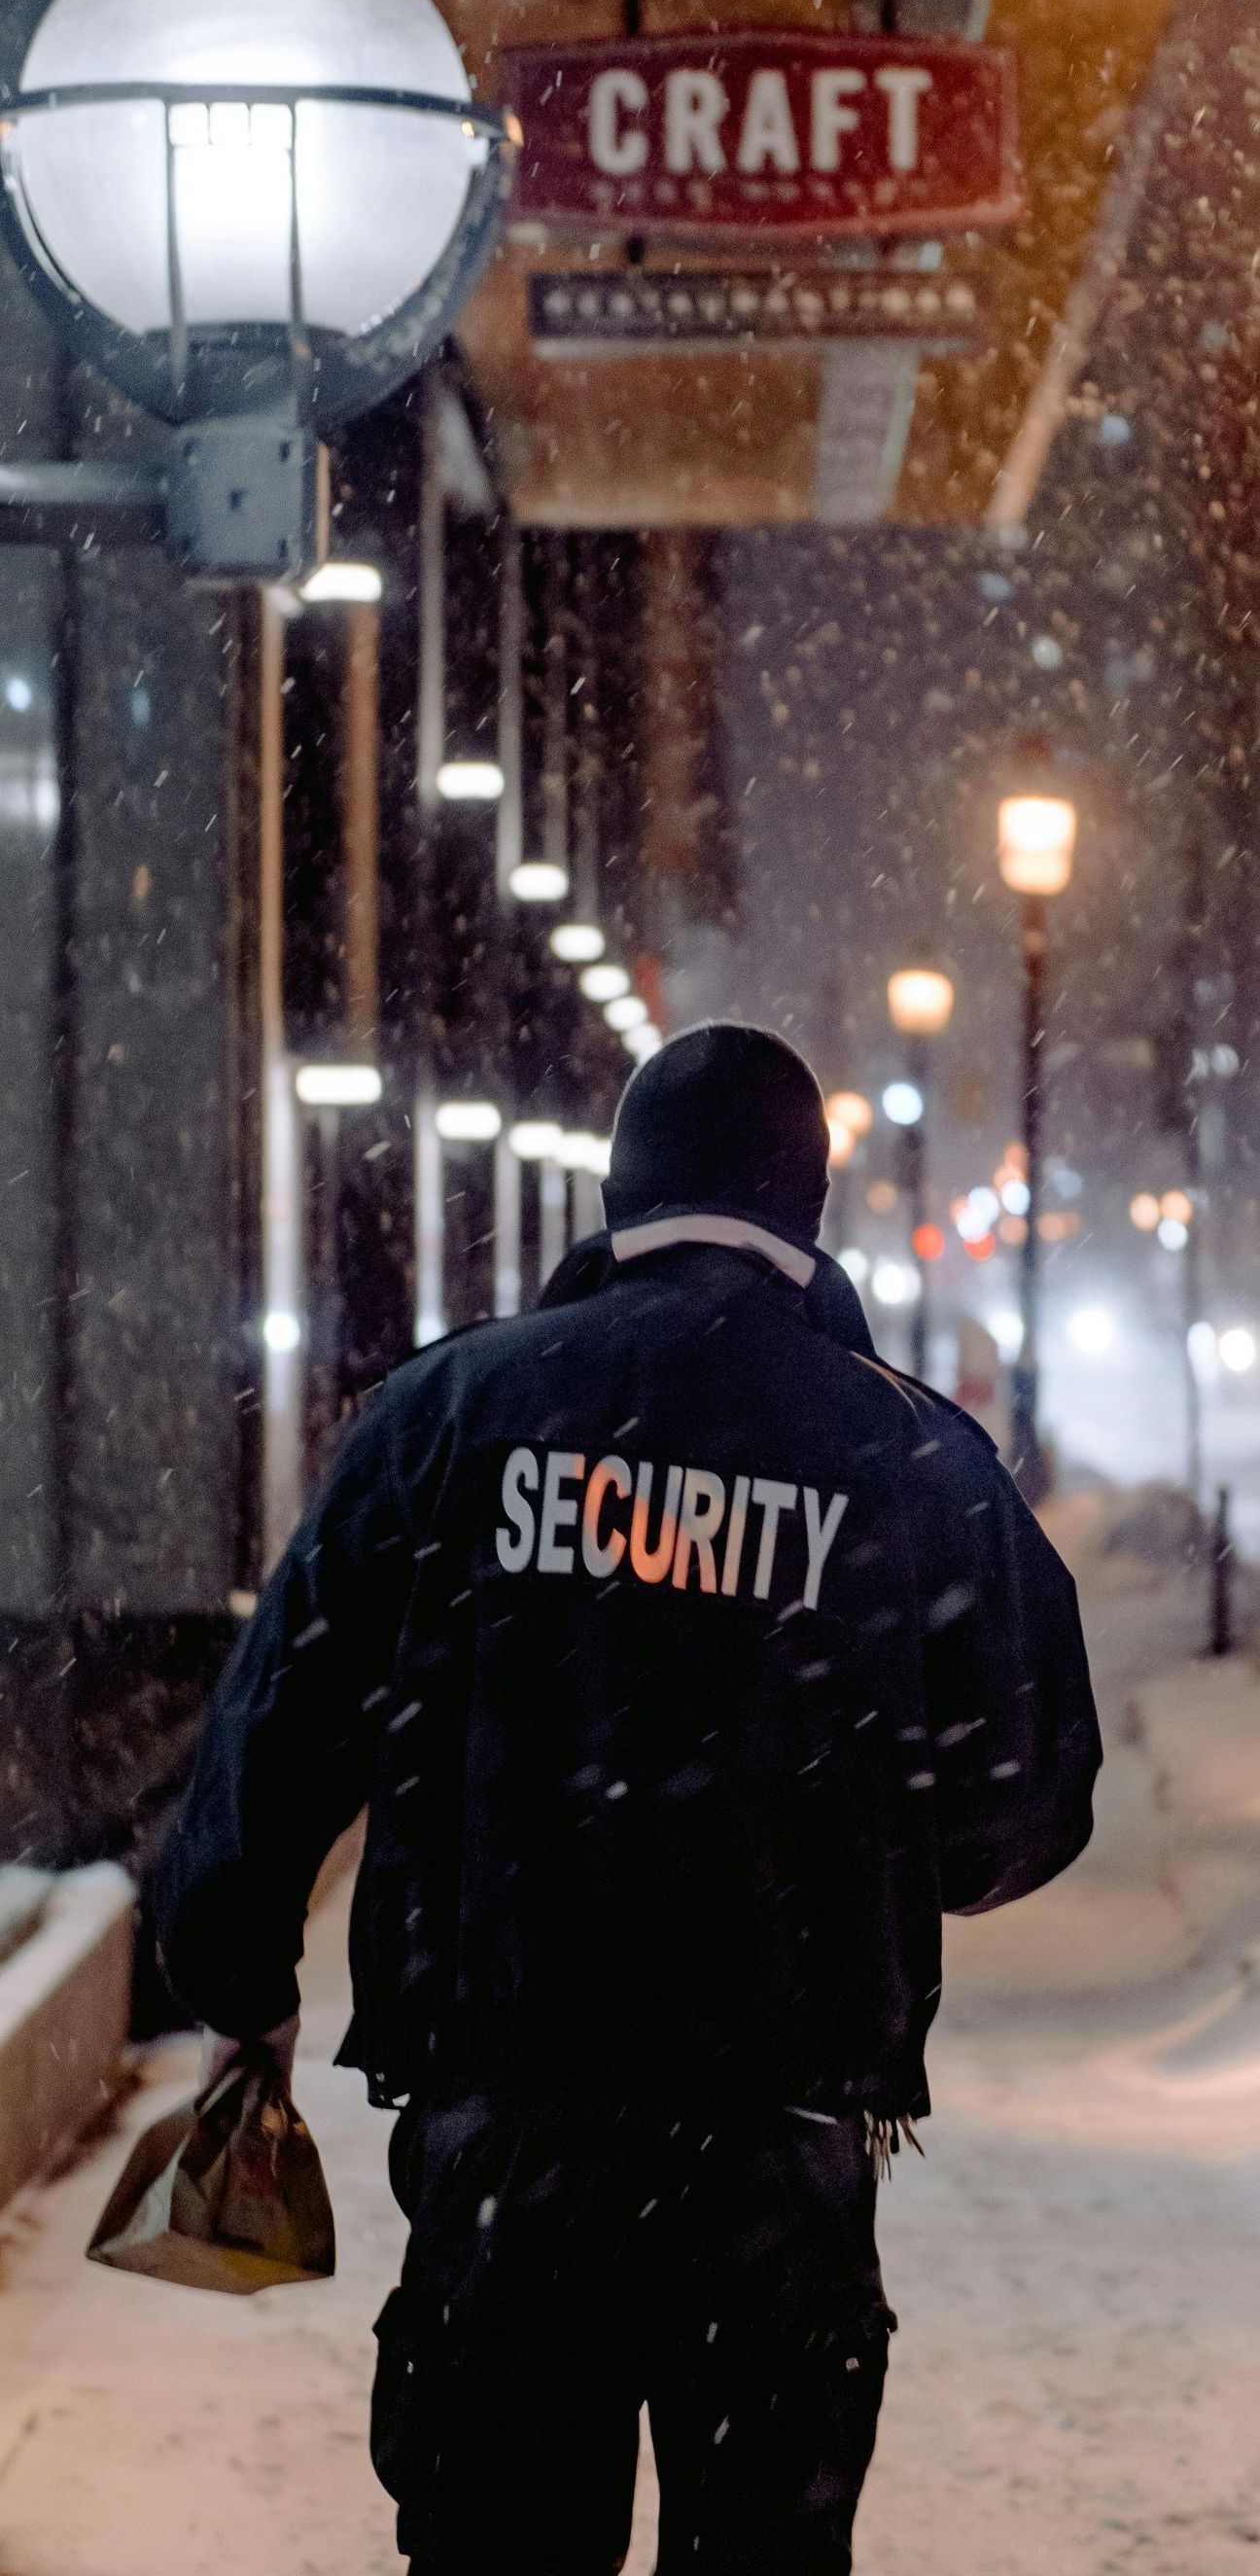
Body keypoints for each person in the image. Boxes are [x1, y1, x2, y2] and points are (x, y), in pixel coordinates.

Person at [153, 1020, 1101, 2576]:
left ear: (617, 1189)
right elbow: (1024, 1804)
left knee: (504, 2539)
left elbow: (279, 1727)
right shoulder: (912, 1457)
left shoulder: (449, 1418)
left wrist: (233, 1967)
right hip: (782, 2150)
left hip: (510, 2128)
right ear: (808, 1201)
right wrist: (852, 1838)